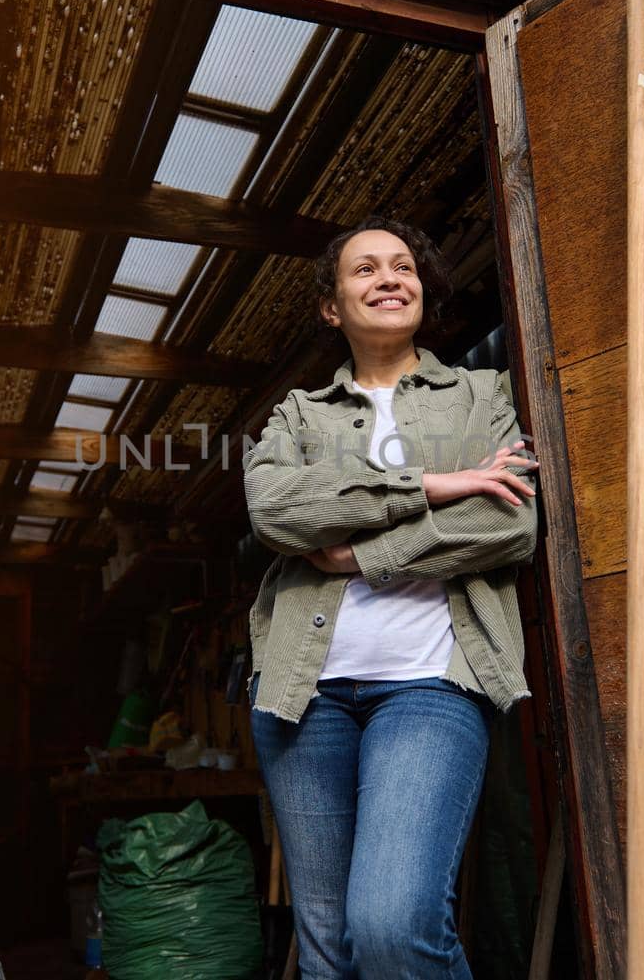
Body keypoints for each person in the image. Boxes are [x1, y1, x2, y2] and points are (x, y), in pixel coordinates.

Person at [243, 215, 539, 979]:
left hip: (431, 684)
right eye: (365, 268)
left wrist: (362, 553)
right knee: (328, 952)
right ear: (332, 307)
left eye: (403, 265)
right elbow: (276, 509)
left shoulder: (481, 396)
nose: (388, 278)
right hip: (302, 694)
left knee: (392, 925)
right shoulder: (299, 415)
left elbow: (510, 520)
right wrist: (432, 484)